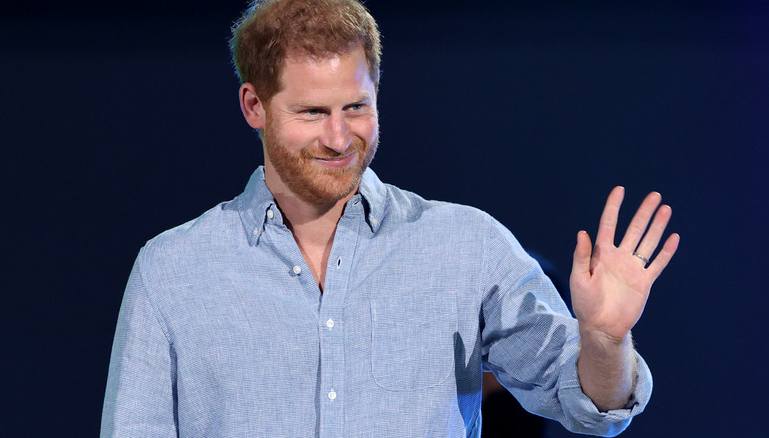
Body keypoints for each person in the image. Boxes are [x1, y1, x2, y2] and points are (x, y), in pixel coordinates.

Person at [100, 1, 680, 437]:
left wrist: (605, 340)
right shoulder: (173, 271)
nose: (338, 136)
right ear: (254, 105)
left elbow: (590, 405)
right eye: (311, 112)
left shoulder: (466, 246)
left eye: (356, 106)